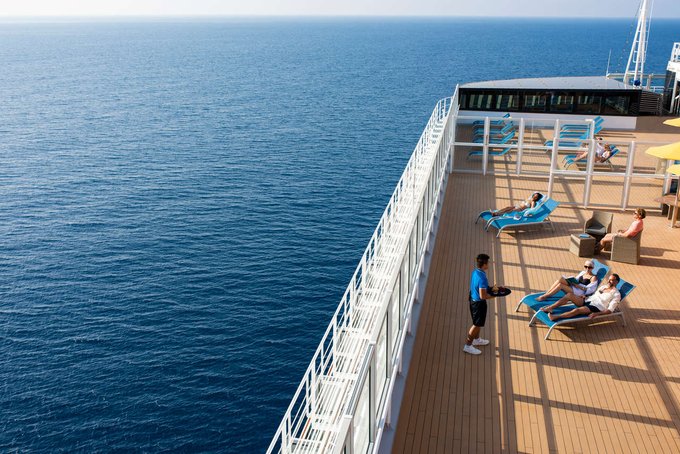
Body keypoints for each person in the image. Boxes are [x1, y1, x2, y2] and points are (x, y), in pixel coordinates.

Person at [464, 253, 499, 355]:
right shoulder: (483, 278)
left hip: (472, 299)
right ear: (484, 264)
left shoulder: (476, 272)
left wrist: (491, 288)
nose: (488, 264)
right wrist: (494, 295)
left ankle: (476, 339)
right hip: (478, 304)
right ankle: (468, 345)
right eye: (487, 263)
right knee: (476, 325)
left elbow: (479, 287)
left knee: (478, 324)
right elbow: (483, 296)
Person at [548, 274, 622, 321]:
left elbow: (610, 310)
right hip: (588, 300)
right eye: (609, 279)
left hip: (596, 307)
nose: (609, 281)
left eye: (612, 280)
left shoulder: (616, 294)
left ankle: (556, 317)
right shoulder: (603, 287)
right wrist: (585, 296)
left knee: (577, 310)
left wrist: (597, 314)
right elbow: (594, 295)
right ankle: (550, 308)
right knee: (569, 295)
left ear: (616, 282)